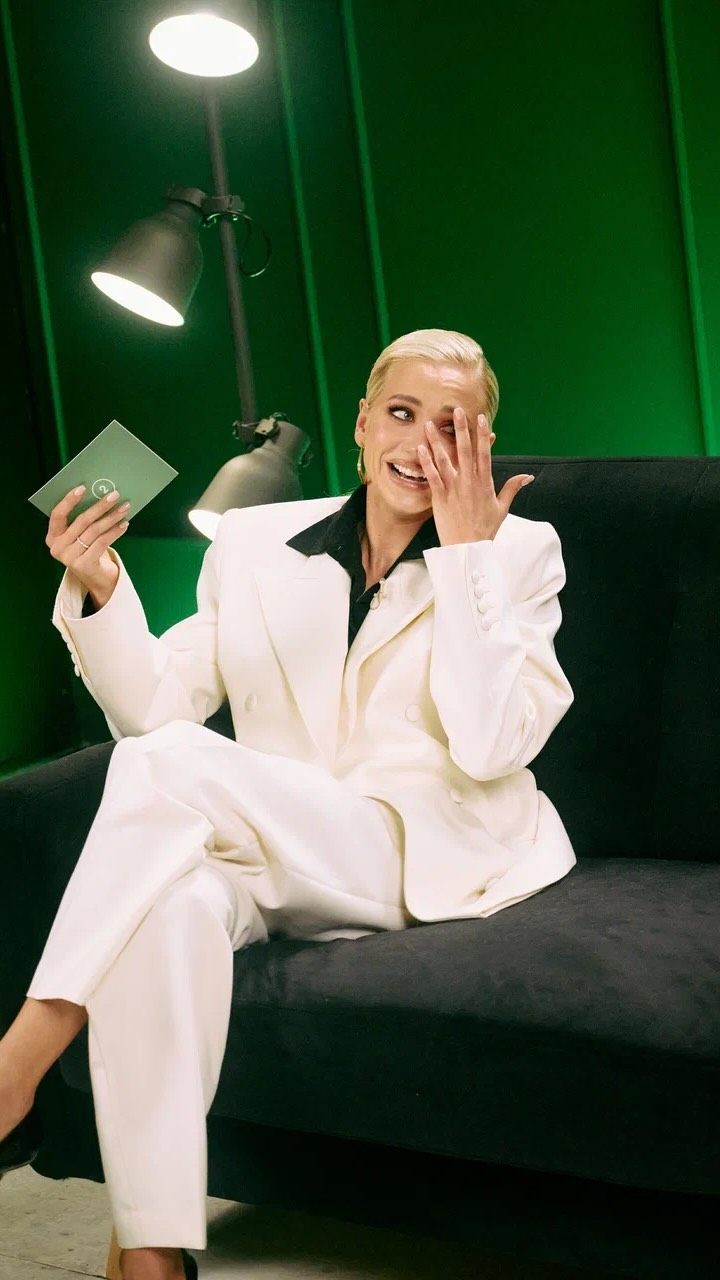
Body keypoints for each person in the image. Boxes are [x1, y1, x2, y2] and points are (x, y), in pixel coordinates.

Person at [0, 329, 576, 1279]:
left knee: (170, 767)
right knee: (167, 910)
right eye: (402, 414)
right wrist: (99, 587)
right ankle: (150, 1254)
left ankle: (18, 1063)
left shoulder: (519, 553)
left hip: (412, 848)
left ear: (482, 445)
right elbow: (154, 711)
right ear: (361, 421)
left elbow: (490, 746)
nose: (421, 444)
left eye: (453, 427)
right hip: (271, 851)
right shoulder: (254, 541)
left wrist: (470, 557)